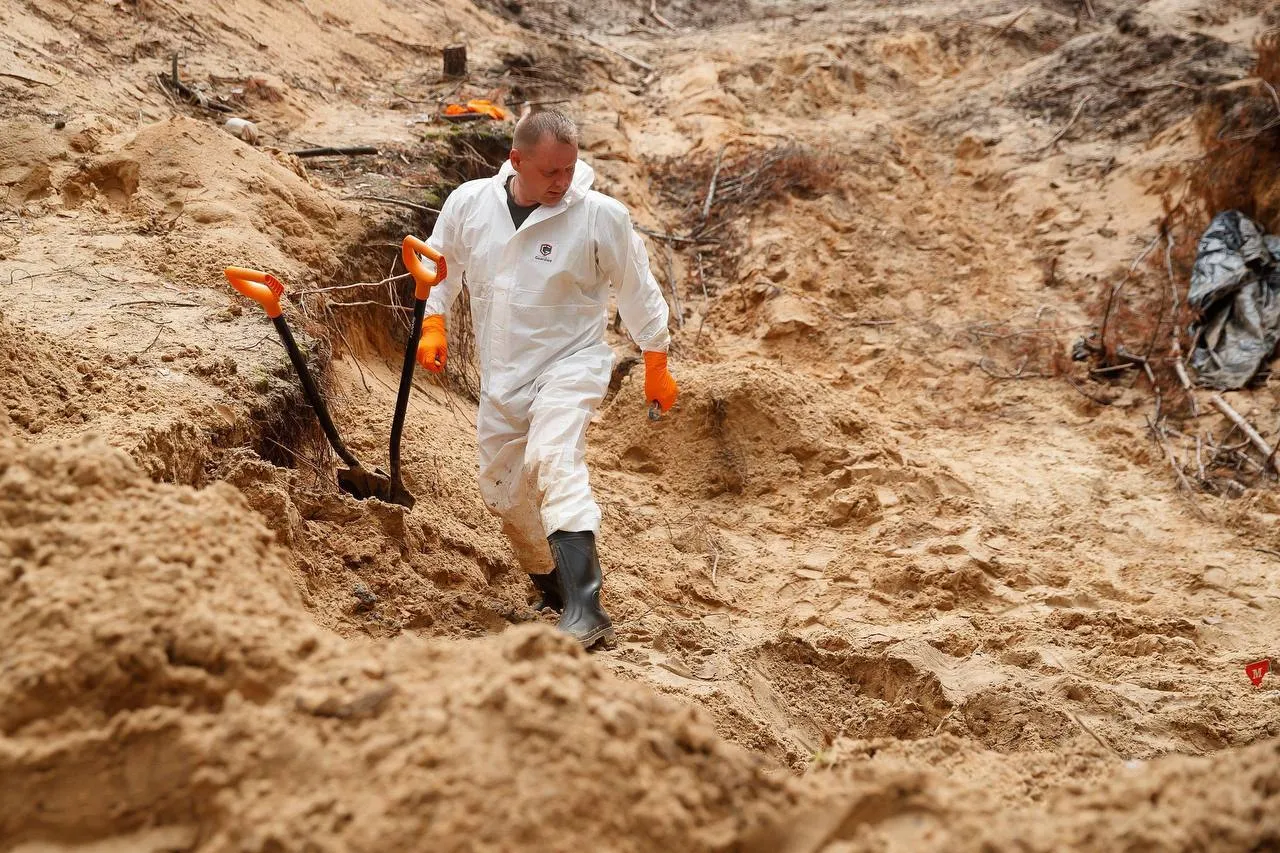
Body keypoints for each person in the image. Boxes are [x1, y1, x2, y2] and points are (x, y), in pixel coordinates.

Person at [415, 109, 678, 649]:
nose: (562, 182)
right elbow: (438, 267)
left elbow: (636, 286)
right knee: (504, 491)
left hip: (570, 363)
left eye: (570, 169)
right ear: (516, 161)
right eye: (550, 172)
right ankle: (553, 585)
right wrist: (433, 322)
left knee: (555, 459)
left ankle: (588, 607)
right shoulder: (470, 204)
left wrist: (656, 356)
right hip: (503, 375)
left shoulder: (599, 216)